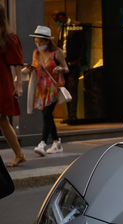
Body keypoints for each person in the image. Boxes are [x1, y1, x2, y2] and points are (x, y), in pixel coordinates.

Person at [27, 26, 69, 156]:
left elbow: (66, 68)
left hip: (53, 88)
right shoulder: (36, 53)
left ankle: (42, 143)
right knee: (48, 117)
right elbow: (36, 68)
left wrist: (60, 69)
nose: (38, 44)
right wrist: (30, 69)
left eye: (41, 42)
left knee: (46, 115)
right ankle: (56, 142)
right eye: (36, 42)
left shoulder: (57, 53)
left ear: (47, 41)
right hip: (40, 89)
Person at [0, 4, 26, 167]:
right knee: (2, 120)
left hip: (2, 82)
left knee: (2, 119)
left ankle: (19, 154)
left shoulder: (8, 37)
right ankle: (19, 154)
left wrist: (19, 85)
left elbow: (17, 62)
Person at [52, 10, 86, 124]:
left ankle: (73, 115)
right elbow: (59, 45)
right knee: (65, 87)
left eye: (57, 20)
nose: (57, 22)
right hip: (64, 62)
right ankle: (69, 115)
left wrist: (79, 61)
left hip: (74, 61)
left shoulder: (76, 26)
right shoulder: (60, 30)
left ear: (61, 17)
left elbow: (83, 44)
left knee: (72, 87)